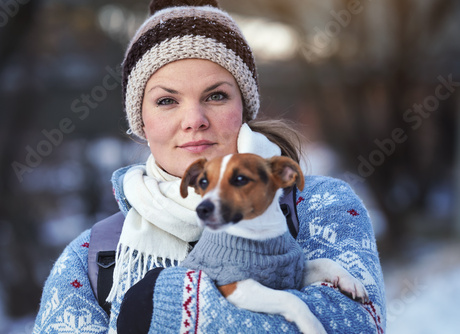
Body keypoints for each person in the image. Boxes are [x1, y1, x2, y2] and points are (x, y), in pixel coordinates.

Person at [33, 0, 386, 333]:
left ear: (244, 106)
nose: (194, 120)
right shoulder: (91, 257)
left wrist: (163, 304)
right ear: (141, 120)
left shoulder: (320, 206)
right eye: (166, 100)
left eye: (215, 95)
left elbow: (357, 323)